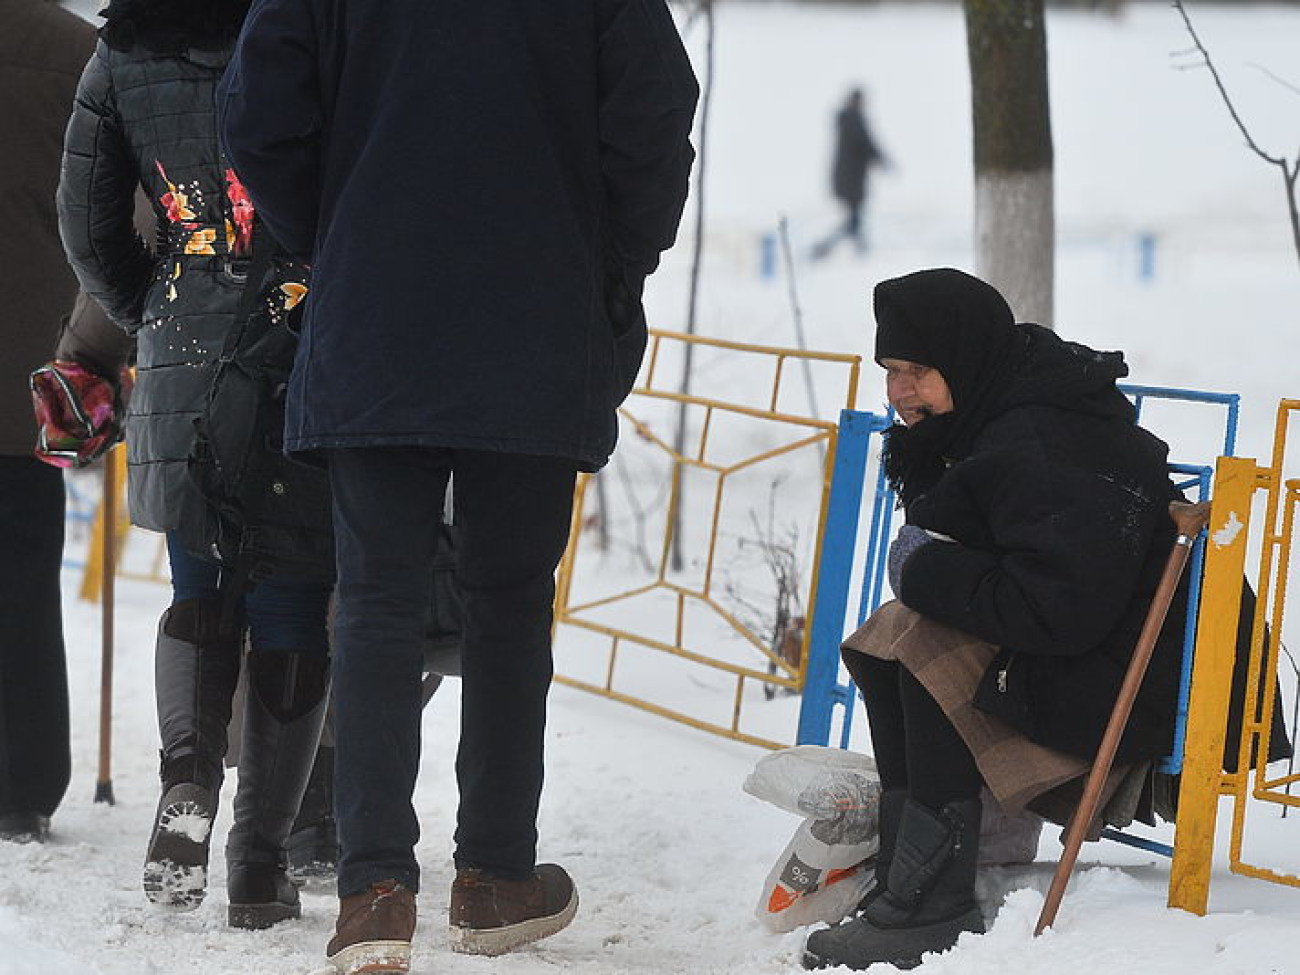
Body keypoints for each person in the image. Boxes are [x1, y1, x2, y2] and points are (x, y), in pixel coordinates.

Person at [217, 2, 698, 971]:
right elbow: (653, 123)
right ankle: (491, 878)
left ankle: (374, 893)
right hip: (537, 318)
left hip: (377, 314)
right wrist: (605, 263)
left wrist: (343, 229)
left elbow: (258, 116)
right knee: (510, 607)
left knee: (376, 605)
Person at [802, 268, 1190, 970]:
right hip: (1087, 651)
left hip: (1129, 686)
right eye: (890, 371)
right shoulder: (994, 414)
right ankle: (907, 873)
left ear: (964, 358)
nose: (896, 392)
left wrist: (922, 566)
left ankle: (935, 897)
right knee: (889, 635)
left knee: (918, 635)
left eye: (916, 370)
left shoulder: (1040, 439)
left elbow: (1055, 609)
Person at [54, 0, 334, 930]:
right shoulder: (310, 25)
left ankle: (187, 781)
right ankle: (260, 865)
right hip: (305, 330)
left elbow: (85, 221)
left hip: (185, 332)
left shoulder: (126, 44)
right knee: (295, 593)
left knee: (200, 580)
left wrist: (160, 310)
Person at [0, 0, 98, 844]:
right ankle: (24, 780)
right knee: (25, 576)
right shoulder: (77, 52)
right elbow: (121, 215)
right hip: (39, 367)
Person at [811, 87, 887, 260]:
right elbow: (866, 145)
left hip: (848, 180)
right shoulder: (853, 121)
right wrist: (883, 161)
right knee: (854, 221)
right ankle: (834, 249)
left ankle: (851, 249)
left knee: (854, 220)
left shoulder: (847, 121)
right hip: (851, 181)